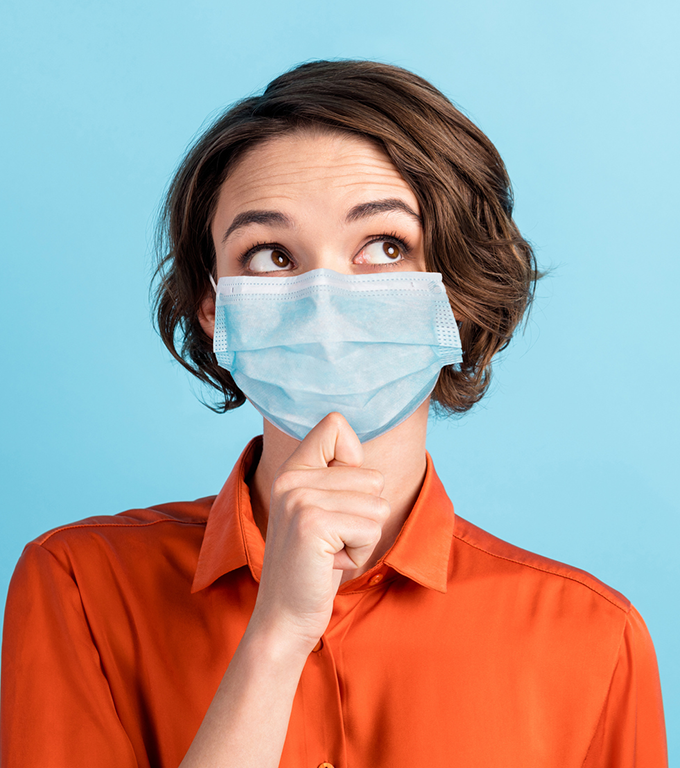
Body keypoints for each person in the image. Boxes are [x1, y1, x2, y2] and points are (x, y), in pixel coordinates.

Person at [1, 60, 667, 767]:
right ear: (213, 311)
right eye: (271, 255)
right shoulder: (80, 586)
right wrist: (278, 633)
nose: (325, 301)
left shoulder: (593, 639)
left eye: (384, 247)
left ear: (459, 295)